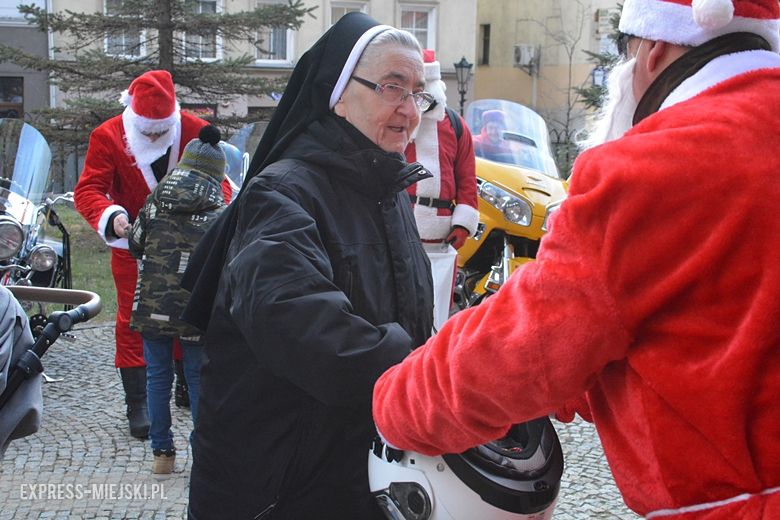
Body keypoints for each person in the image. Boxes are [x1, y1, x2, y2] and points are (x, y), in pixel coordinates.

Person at [373, 1, 780, 519]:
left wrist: (399, 399)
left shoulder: (652, 165)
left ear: (652, 50)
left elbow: (529, 346)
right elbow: (710, 326)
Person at [182, 12, 434, 519]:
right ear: (339, 93)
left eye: (418, 93)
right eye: (392, 87)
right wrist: (427, 374)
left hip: (351, 466)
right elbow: (300, 325)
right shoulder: (282, 193)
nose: (409, 109)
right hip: (278, 483)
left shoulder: (388, 192)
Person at [74, 70, 232, 439]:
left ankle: (183, 385)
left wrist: (213, 218)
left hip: (192, 247)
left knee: (190, 313)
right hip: (133, 244)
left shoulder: (194, 128)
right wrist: (112, 218)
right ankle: (138, 401)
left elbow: (220, 182)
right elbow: (89, 190)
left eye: (162, 131)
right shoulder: (108, 135)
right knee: (134, 320)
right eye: (148, 133)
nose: (156, 137)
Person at [127, 125, 227, 474]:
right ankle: (203, 456)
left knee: (157, 376)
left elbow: (135, 243)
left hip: (152, 303)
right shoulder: (220, 210)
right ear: (217, 174)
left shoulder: (156, 201)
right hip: (196, 307)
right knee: (199, 378)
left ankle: (162, 455)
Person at [405, 50, 478, 331]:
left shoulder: (457, 127)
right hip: (404, 226)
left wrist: (463, 224)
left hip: (440, 236)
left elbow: (467, 181)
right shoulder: (398, 123)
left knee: (437, 308)